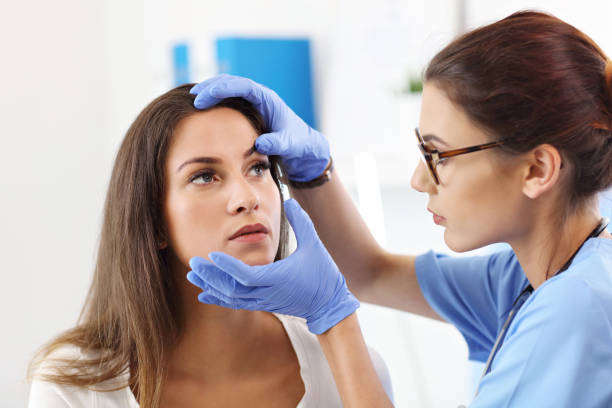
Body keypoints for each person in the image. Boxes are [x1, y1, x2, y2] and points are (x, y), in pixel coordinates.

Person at [187, 10, 612, 407]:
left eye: (439, 155)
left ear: (537, 169)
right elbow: (370, 273)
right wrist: (313, 173)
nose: (419, 179)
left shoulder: (576, 309)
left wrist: (331, 316)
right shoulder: (525, 278)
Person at [27, 85, 392, 407]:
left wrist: (335, 316)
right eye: (204, 176)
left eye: (258, 167)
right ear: (153, 222)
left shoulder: (354, 372)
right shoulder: (73, 390)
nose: (247, 198)